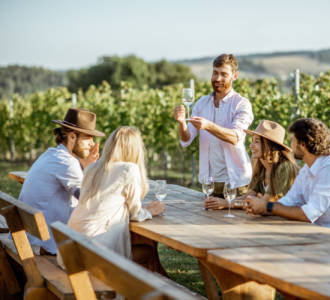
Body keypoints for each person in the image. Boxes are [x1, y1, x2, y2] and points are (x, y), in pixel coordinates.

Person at [244, 118, 330, 239]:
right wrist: (262, 206)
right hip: (324, 237)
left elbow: (308, 215)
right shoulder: (307, 170)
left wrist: (267, 207)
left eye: (293, 140)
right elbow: (288, 202)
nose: (291, 145)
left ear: (302, 144)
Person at [63, 126, 165, 260]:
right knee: (147, 251)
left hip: (70, 251)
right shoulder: (129, 169)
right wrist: (150, 211)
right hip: (94, 251)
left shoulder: (91, 168)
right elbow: (135, 214)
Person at [19, 108, 104, 255]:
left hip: (31, 239)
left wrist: (85, 168)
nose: (92, 143)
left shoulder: (52, 154)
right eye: (88, 138)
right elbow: (88, 200)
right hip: (44, 246)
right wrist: (90, 170)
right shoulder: (67, 163)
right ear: (72, 136)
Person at [174, 54, 253, 197]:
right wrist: (181, 123)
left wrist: (208, 125)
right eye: (215, 73)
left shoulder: (241, 104)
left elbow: (236, 137)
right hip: (209, 184)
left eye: (224, 74)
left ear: (235, 76)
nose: (217, 78)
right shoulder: (201, 103)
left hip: (236, 184)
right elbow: (186, 139)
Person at [204, 120, 298, 210]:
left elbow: (265, 203)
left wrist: (227, 203)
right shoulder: (261, 167)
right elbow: (247, 197)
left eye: (256, 141)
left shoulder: (285, 167)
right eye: (252, 141)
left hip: (290, 224)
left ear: (269, 145)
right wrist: (225, 202)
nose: (251, 145)